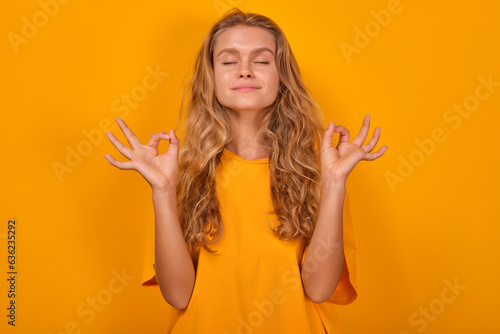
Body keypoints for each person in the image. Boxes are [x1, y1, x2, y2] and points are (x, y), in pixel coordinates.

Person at [104, 7, 387, 334]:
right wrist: (163, 192)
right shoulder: (175, 172)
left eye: (262, 60)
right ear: (210, 76)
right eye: (229, 60)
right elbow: (178, 295)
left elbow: (320, 289)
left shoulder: (321, 170)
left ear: (282, 76)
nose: (245, 71)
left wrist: (335, 182)